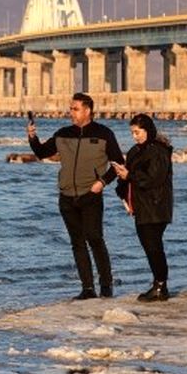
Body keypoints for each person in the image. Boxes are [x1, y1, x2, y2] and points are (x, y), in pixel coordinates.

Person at [27, 92, 124, 300]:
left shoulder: (104, 133)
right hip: (66, 196)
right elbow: (42, 153)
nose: (71, 112)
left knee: (95, 239)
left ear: (87, 110)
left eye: (75, 109)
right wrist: (33, 138)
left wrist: (102, 182)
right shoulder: (63, 133)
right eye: (70, 108)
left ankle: (106, 286)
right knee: (77, 243)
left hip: (91, 194)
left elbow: (118, 164)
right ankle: (87, 289)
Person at [110, 113, 173, 301]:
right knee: (149, 246)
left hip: (156, 205)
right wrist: (121, 184)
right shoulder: (134, 151)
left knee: (154, 246)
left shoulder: (159, 151)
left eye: (137, 132)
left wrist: (129, 175)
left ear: (148, 130)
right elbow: (130, 177)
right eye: (132, 133)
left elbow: (154, 179)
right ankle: (158, 284)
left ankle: (161, 286)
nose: (135, 136)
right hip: (141, 205)